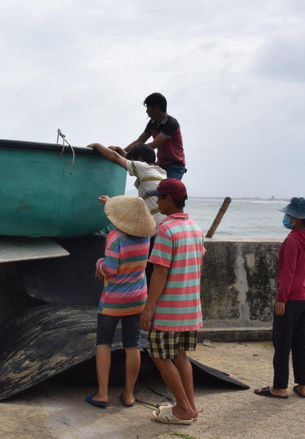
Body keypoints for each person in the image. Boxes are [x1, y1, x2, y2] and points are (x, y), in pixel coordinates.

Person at [140, 178, 205, 425]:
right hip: (190, 308)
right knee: (181, 356)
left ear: (169, 200)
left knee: (160, 357)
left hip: (169, 310)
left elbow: (160, 272)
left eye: (160, 197)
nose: (157, 202)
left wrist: (149, 307)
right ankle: (190, 406)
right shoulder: (195, 228)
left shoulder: (166, 230)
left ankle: (183, 409)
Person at [86, 195, 157, 409]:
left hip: (112, 301)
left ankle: (102, 394)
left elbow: (110, 269)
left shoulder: (114, 237)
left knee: (103, 343)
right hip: (138, 300)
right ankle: (128, 395)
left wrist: (99, 264)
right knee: (132, 345)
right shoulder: (145, 237)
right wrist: (106, 202)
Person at [254, 197, 305, 400]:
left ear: (295, 218)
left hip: (292, 298)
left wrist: (281, 299)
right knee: (302, 341)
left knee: (282, 341)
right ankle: (302, 384)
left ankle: (279, 387)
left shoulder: (292, 240)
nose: (287, 217)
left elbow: (287, 272)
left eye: (289, 215)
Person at [86, 143, 166, 219]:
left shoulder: (142, 168)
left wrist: (96, 145)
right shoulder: (159, 171)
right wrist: (119, 149)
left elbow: (116, 157)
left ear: (139, 160)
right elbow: (127, 160)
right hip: (164, 218)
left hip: (156, 222)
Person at [123, 92, 186, 180]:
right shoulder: (152, 123)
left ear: (156, 108)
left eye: (148, 107)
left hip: (174, 165)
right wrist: (122, 151)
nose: (146, 111)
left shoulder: (171, 123)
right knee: (146, 182)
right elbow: (139, 141)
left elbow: (153, 145)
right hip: (160, 164)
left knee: (168, 189)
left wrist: (128, 154)